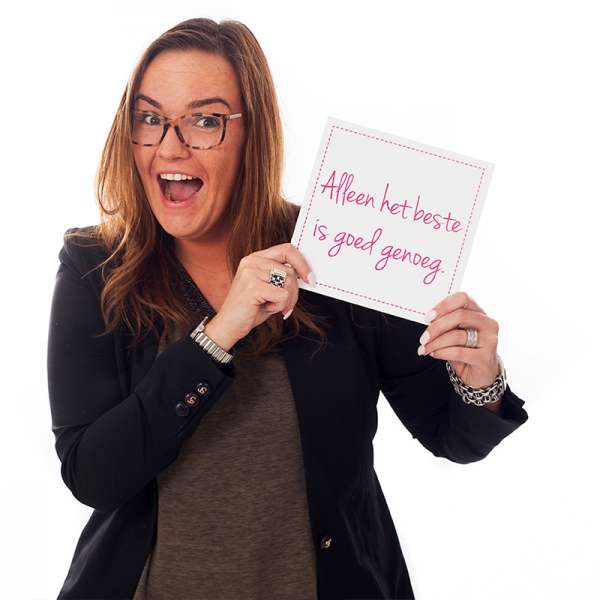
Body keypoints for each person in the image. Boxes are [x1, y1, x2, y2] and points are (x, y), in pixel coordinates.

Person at [47, 17, 529, 600]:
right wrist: (219, 333)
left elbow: (452, 436)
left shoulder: (337, 249)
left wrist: (481, 379)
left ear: (253, 133)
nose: (170, 147)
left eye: (205, 121)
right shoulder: (95, 266)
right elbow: (93, 475)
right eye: (150, 119)